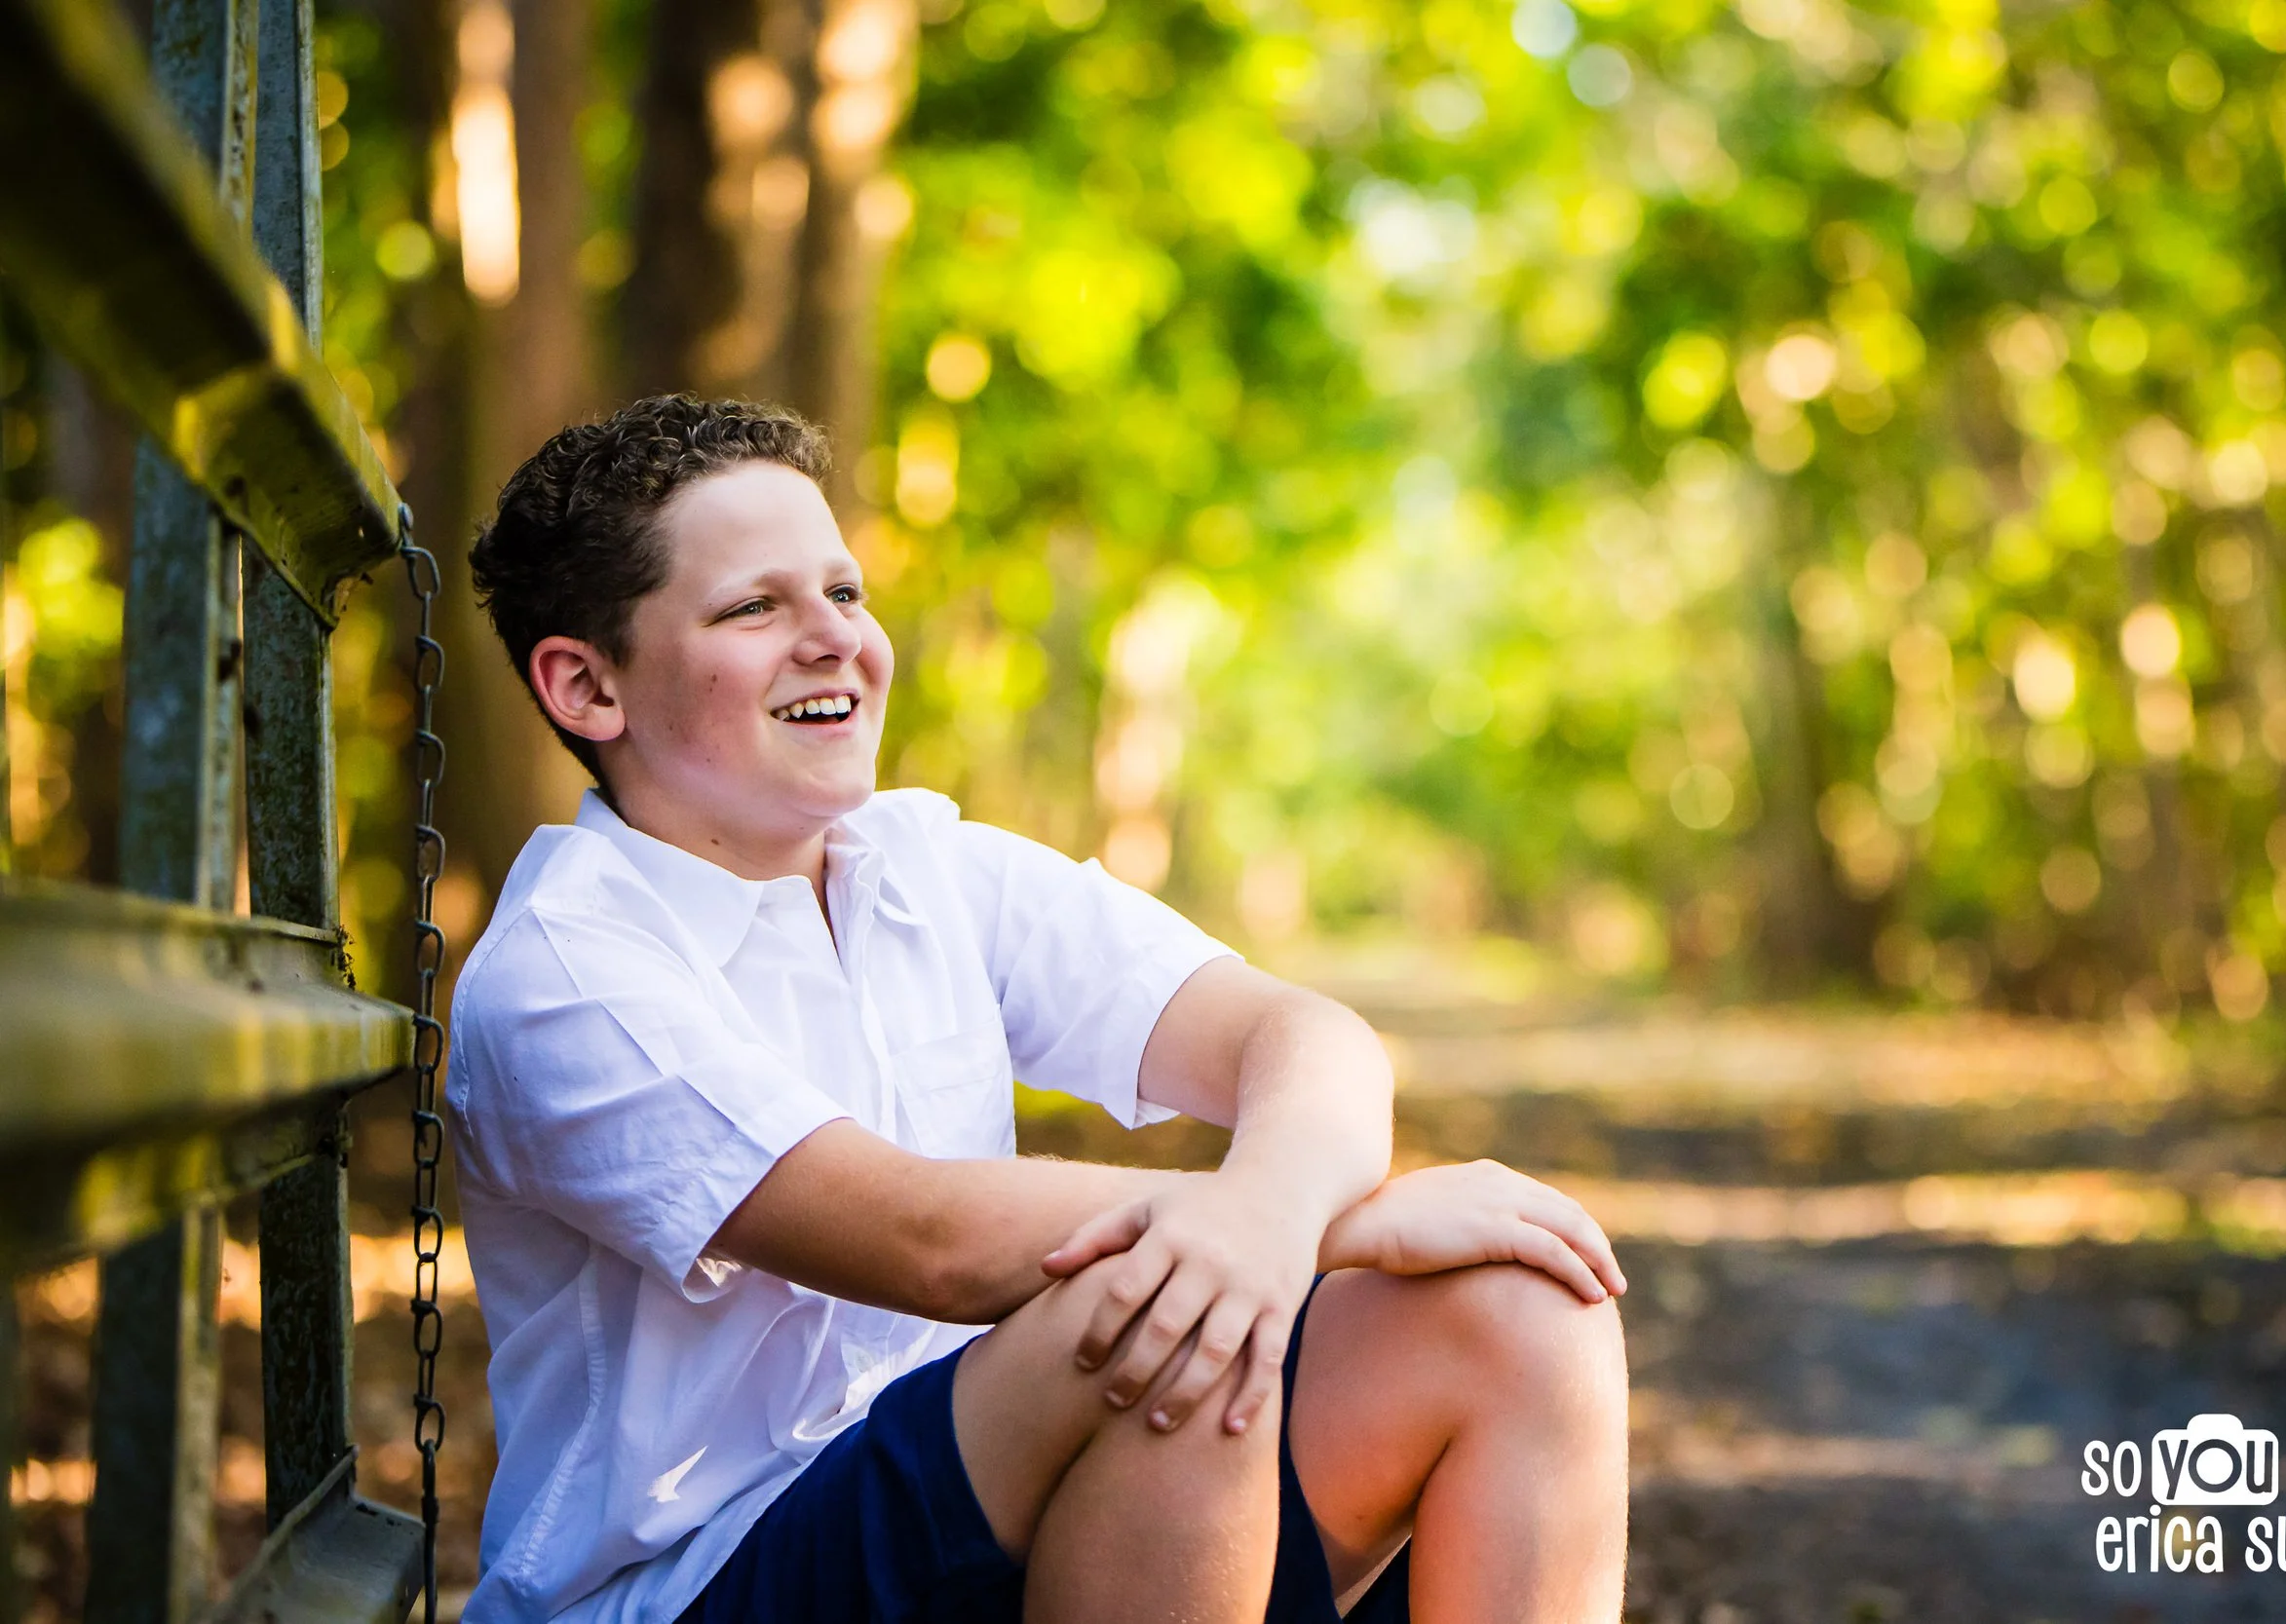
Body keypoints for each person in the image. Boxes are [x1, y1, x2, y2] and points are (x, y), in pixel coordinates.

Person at [447, 394, 1629, 1624]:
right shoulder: (564, 970)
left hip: (1013, 1522)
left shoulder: (926, 865)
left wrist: (1272, 1210)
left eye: (844, 593)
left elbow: (1301, 1035)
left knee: (1522, 1309)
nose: (833, 638)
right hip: (699, 1585)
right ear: (587, 687)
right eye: (754, 606)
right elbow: (931, 1238)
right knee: (1159, 1317)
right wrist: (1334, 1224)